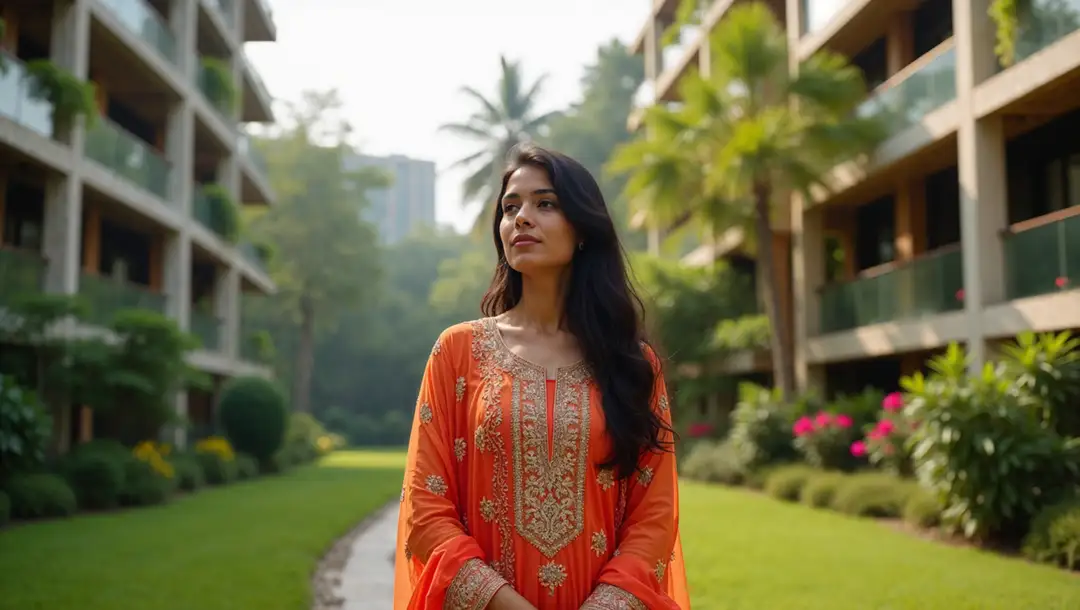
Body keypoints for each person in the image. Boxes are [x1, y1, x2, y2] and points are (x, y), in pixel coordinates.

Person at [393, 143, 690, 610]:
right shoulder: (457, 351)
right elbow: (425, 507)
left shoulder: (630, 363)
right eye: (510, 208)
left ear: (583, 229)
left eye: (545, 204)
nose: (522, 218)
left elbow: (654, 514)